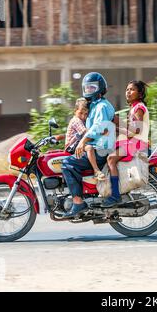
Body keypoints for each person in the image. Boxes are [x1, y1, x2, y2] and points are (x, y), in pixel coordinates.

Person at [60, 72, 115, 218]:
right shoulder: (95, 106)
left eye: (93, 87)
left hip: (99, 150)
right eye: (87, 88)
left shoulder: (101, 106)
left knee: (67, 164)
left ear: (100, 88)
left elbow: (97, 127)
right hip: (97, 148)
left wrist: (83, 142)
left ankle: (78, 202)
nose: (89, 90)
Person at [102, 80, 150, 207]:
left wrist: (117, 127)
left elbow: (136, 129)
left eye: (132, 89)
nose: (128, 92)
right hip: (132, 141)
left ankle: (115, 196)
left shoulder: (139, 108)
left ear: (139, 94)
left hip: (137, 143)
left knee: (111, 159)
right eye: (127, 89)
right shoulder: (134, 107)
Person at [55, 98, 106, 181]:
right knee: (89, 148)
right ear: (75, 111)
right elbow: (87, 132)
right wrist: (101, 132)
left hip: (77, 143)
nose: (83, 116)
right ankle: (96, 170)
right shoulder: (76, 120)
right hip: (72, 146)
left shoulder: (82, 121)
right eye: (81, 113)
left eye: (86, 114)